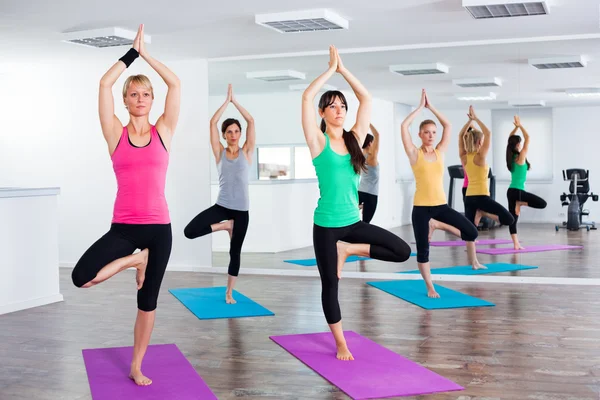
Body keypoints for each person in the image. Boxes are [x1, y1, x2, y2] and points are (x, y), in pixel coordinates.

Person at [71, 24, 180, 386]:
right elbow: (104, 84)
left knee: (147, 303)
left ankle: (136, 365)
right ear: (126, 100)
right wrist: (131, 55)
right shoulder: (114, 133)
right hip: (124, 227)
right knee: (81, 278)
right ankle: (137, 259)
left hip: (159, 228)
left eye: (145, 93)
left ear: (151, 99)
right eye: (133, 94)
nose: (139, 99)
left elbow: (176, 85)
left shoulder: (163, 131)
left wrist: (148, 55)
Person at [302, 46, 411, 361]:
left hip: (353, 222)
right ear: (323, 112)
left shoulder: (354, 139)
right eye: (332, 106)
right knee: (330, 285)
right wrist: (328, 72)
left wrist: (343, 69)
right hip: (325, 225)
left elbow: (367, 99)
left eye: (341, 106)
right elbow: (305, 98)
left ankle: (348, 249)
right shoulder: (317, 141)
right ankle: (340, 343)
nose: (339, 110)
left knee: (402, 251)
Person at [401, 90, 483, 298]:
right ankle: (430, 287)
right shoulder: (414, 154)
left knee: (472, 232)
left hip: (440, 206)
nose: (431, 135)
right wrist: (419, 108)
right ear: (420, 134)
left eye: (433, 132)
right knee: (423, 251)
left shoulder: (440, 152)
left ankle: (437, 224)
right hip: (420, 209)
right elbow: (403, 126)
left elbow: (448, 125)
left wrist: (432, 107)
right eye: (427, 132)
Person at [184, 84, 254, 304]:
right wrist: (226, 102)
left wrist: (236, 102)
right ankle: (225, 226)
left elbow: (251, 121)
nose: (233, 134)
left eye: (236, 131)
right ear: (224, 136)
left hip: (241, 211)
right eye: (229, 131)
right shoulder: (219, 152)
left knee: (235, 253)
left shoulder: (247, 151)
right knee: (190, 231)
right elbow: (212, 123)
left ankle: (229, 292)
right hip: (222, 206)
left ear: (240, 134)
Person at [461, 106, 515, 232]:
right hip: (482, 197)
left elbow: (461, 136)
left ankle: (471, 251)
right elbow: (488, 133)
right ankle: (483, 213)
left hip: (469, 196)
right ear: (480, 142)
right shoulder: (480, 157)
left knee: (470, 232)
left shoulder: (464, 157)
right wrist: (475, 119)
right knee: (509, 219)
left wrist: (470, 122)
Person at [506, 115, 547, 249]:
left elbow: (509, 141)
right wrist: (520, 126)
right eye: (519, 142)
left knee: (513, 219)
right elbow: (528, 138)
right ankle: (521, 202)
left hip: (511, 191)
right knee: (542, 204)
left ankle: (516, 244)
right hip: (518, 192)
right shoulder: (520, 156)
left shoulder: (511, 157)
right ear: (518, 144)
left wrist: (515, 128)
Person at [358, 123, 380, 223]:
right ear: (370, 143)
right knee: (366, 223)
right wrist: (367, 123)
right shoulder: (372, 157)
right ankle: (363, 206)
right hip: (371, 194)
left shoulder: (360, 157)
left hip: (360, 191)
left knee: (348, 213)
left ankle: (361, 206)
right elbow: (377, 135)